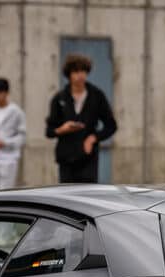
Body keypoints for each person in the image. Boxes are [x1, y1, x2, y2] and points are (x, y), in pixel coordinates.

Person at [46, 54, 118, 183]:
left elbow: (111, 125)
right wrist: (62, 129)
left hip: (88, 158)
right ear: (69, 74)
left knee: (88, 195)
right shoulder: (59, 98)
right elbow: (49, 131)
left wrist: (93, 138)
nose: (80, 75)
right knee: (66, 196)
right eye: (76, 71)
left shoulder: (97, 96)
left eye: (83, 71)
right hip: (66, 158)